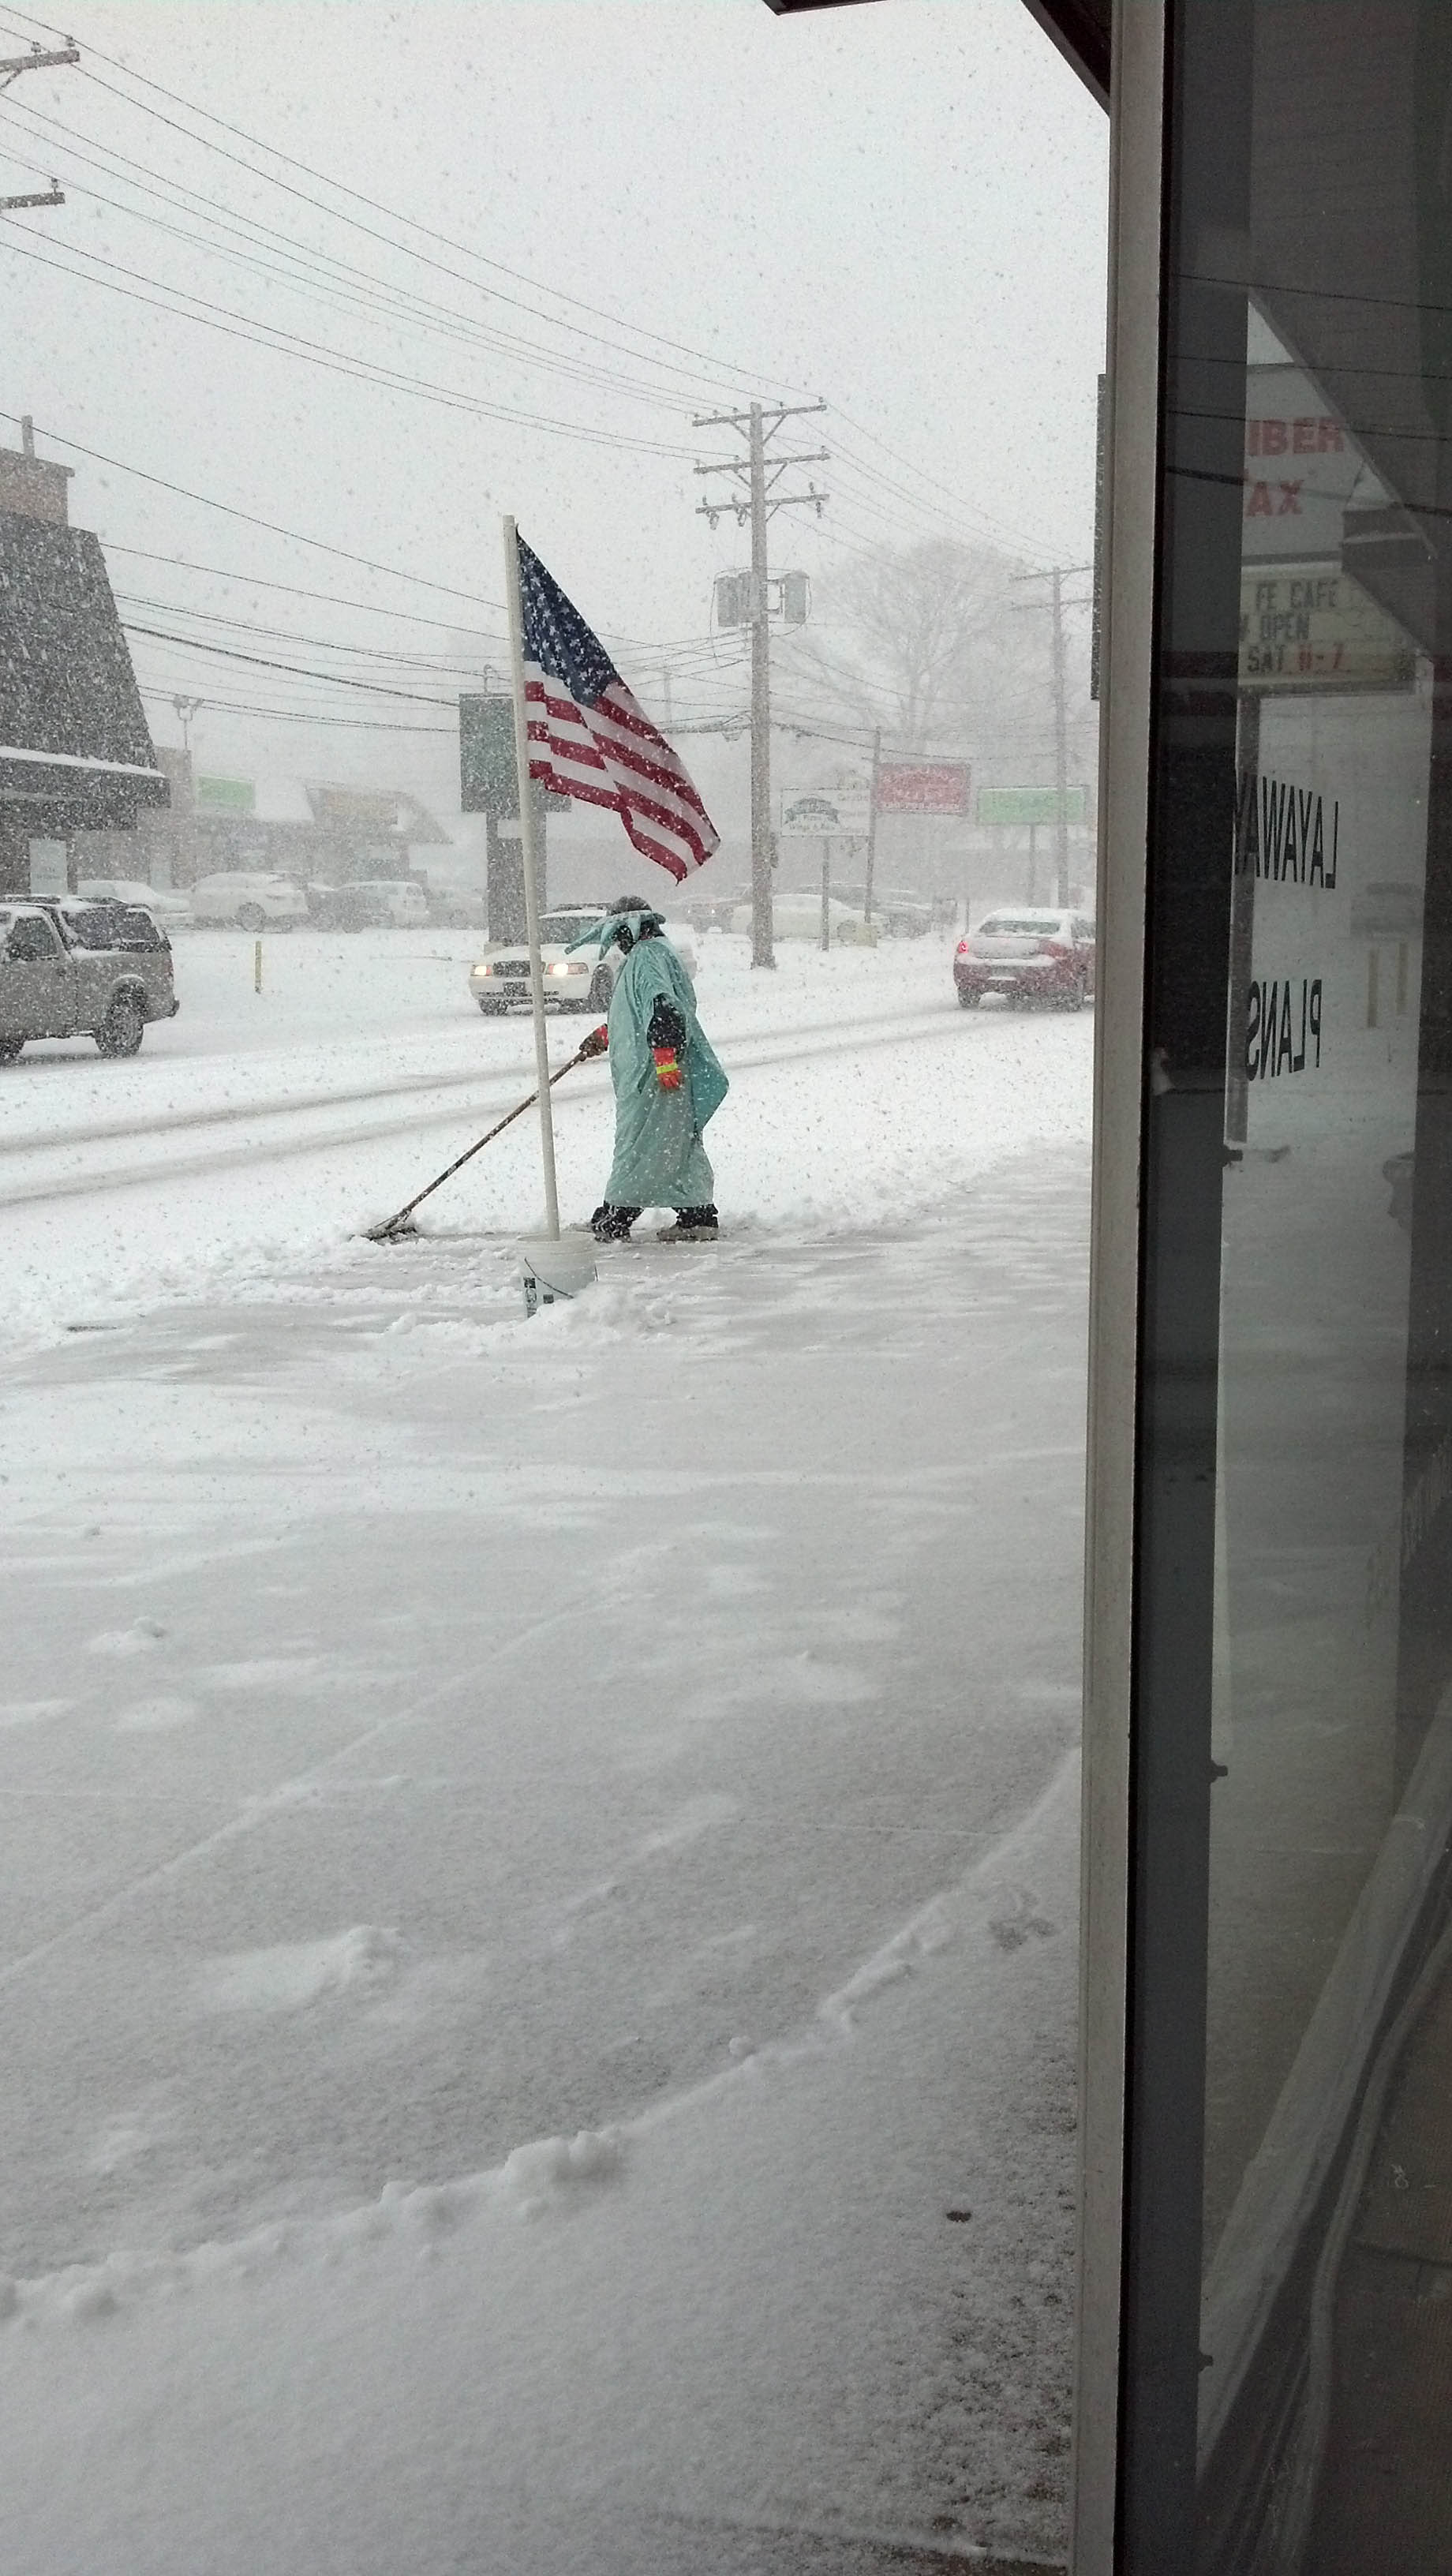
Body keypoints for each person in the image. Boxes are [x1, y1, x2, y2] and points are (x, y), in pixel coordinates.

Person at [582, 897, 728, 1244]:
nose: (617, 943)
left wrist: (664, 1055)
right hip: (665, 1070)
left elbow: (663, 1006)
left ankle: (616, 1216)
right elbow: (639, 1011)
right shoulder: (657, 953)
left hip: (655, 1076)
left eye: (617, 935)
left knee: (639, 1144)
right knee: (677, 1144)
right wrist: (606, 1035)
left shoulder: (647, 957)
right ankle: (696, 1216)